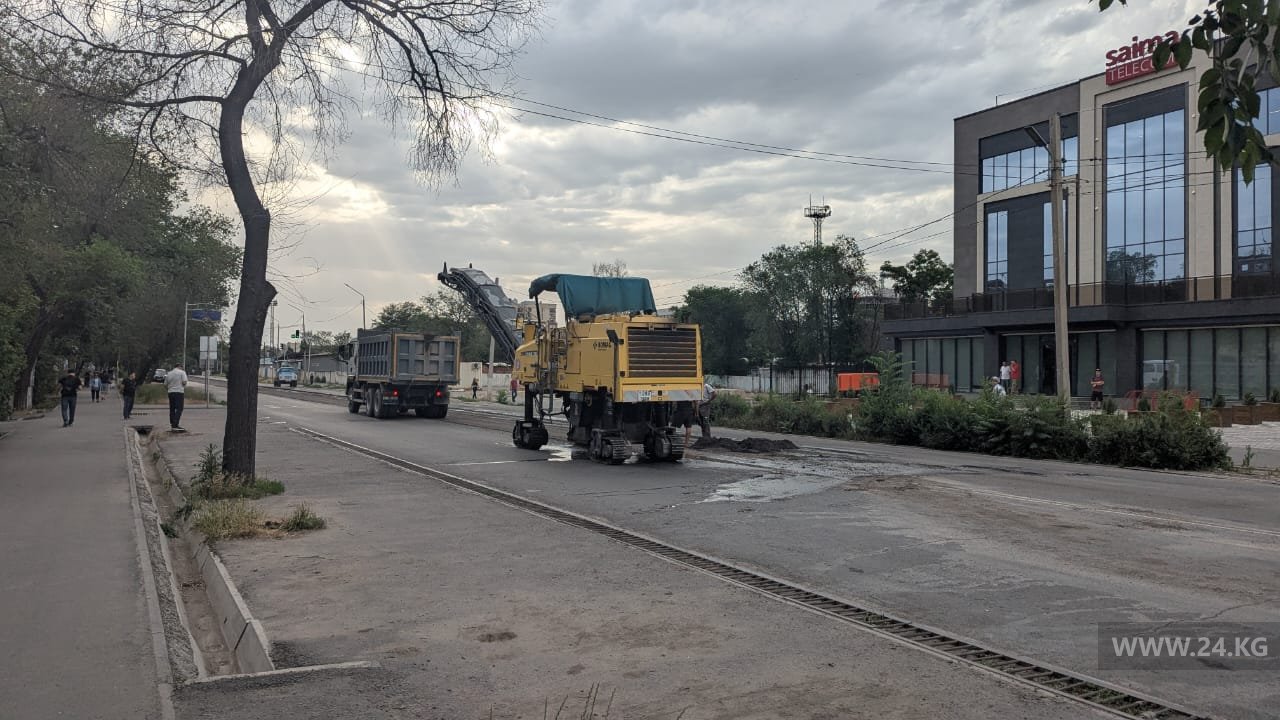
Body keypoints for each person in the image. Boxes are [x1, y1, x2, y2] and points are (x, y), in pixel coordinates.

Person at [165, 363, 189, 431]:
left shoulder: (169, 373)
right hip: (179, 392)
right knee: (179, 408)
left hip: (170, 392)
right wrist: (183, 386)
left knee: (172, 408)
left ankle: (172, 424)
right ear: (180, 367)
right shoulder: (182, 372)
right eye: (182, 367)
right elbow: (184, 382)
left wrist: (169, 389)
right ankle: (175, 424)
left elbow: (165, 384)